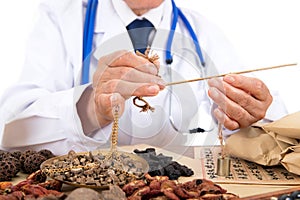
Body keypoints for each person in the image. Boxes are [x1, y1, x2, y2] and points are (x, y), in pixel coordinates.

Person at [0, 0, 287, 155]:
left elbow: (261, 123)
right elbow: (11, 129)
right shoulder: (60, 18)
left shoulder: (202, 31)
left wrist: (253, 112)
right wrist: (88, 108)